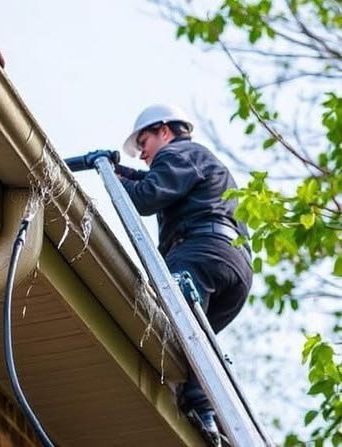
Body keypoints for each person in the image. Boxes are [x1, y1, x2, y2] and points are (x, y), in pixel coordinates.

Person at [116, 104, 253, 446]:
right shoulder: (197, 162)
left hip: (199, 255)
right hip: (233, 267)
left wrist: (114, 177)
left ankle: (204, 410)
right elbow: (156, 183)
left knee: (175, 329)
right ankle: (212, 416)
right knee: (196, 345)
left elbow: (147, 197)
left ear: (165, 131)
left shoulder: (180, 152)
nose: (142, 154)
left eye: (144, 142)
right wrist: (128, 173)